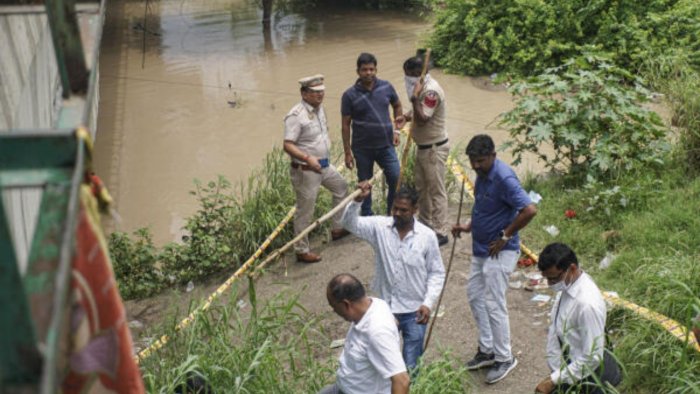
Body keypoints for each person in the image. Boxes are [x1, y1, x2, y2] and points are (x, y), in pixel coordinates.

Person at [452, 134, 537, 384]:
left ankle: (505, 357)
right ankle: (487, 350)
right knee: (475, 295)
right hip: (481, 249)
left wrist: (505, 235)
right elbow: (484, 207)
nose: (475, 166)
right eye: (472, 161)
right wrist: (467, 227)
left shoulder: (504, 177)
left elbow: (529, 209)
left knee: (493, 302)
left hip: (502, 250)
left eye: (480, 161)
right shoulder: (481, 176)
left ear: (492, 156)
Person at [341, 182, 445, 372]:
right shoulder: (379, 227)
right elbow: (349, 223)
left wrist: (428, 303)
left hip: (415, 311)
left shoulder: (427, 236)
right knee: (382, 362)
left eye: (403, 210)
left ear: (415, 209)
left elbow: (436, 273)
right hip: (384, 309)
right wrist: (357, 201)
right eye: (394, 208)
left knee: (411, 365)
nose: (396, 213)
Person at [534, 243, 622, 393]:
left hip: (588, 377)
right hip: (571, 369)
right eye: (547, 279)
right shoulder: (568, 285)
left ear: (572, 269)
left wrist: (554, 380)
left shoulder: (587, 304)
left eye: (553, 279)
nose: (550, 284)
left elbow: (592, 357)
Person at [283, 74, 349, 263]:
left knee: (341, 187)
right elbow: (287, 144)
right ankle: (301, 250)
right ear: (304, 93)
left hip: (323, 166)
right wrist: (307, 158)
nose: (320, 95)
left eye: (322, 92)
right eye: (315, 92)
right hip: (305, 169)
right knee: (306, 210)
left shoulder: (320, 109)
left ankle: (337, 228)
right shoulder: (295, 116)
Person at [320, 273, 410, 394]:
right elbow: (394, 321)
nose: (334, 311)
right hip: (344, 387)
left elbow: (402, 381)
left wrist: (385, 333)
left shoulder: (377, 332)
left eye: (334, 307)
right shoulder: (374, 304)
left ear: (346, 304)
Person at [395, 54, 450, 247]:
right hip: (423, 147)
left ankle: (441, 230)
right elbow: (417, 114)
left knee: (436, 191)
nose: (407, 79)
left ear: (420, 74)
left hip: (434, 148)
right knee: (422, 189)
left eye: (410, 75)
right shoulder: (421, 90)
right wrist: (406, 117)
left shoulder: (430, 91)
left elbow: (425, 116)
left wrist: (414, 97)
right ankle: (426, 224)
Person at [341, 53, 403, 216]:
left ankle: (392, 214)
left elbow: (397, 105)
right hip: (362, 149)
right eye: (364, 70)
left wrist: (397, 129)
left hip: (386, 145)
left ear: (376, 69)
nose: (368, 73)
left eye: (371, 69)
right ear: (358, 71)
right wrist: (347, 152)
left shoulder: (386, 87)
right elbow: (345, 125)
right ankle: (366, 215)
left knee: (396, 178)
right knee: (364, 185)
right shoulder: (349, 95)